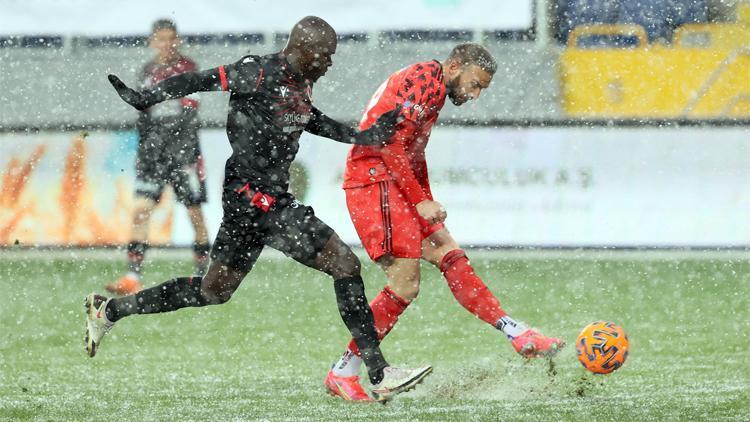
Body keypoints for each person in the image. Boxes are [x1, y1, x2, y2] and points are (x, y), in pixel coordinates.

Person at [85, 16, 431, 402]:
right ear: (302, 49)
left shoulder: (303, 80)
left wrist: (362, 136)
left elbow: (308, 118)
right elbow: (198, 81)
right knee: (344, 265)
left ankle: (110, 310)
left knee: (213, 291)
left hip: (248, 202)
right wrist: (146, 98)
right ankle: (378, 373)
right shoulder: (257, 70)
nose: (330, 63)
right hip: (256, 197)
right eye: (325, 56)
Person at [324, 43, 565, 401]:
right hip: (373, 179)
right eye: (475, 83)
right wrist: (419, 199)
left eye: (482, 88)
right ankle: (345, 371)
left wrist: (426, 200)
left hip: (390, 179)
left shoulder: (432, 89)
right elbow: (391, 146)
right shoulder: (424, 80)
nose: (475, 94)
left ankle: (518, 333)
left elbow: (413, 152)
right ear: (454, 66)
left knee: (450, 253)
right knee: (404, 286)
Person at [107, 19, 210, 295]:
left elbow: (188, 114)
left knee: (194, 214)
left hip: (183, 154)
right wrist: (145, 151)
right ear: (152, 41)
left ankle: (204, 275)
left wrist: (175, 149)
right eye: (161, 39)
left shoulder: (189, 69)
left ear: (178, 41)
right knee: (141, 211)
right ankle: (132, 277)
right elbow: (144, 116)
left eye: (171, 39)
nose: (166, 44)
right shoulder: (148, 71)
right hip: (153, 156)